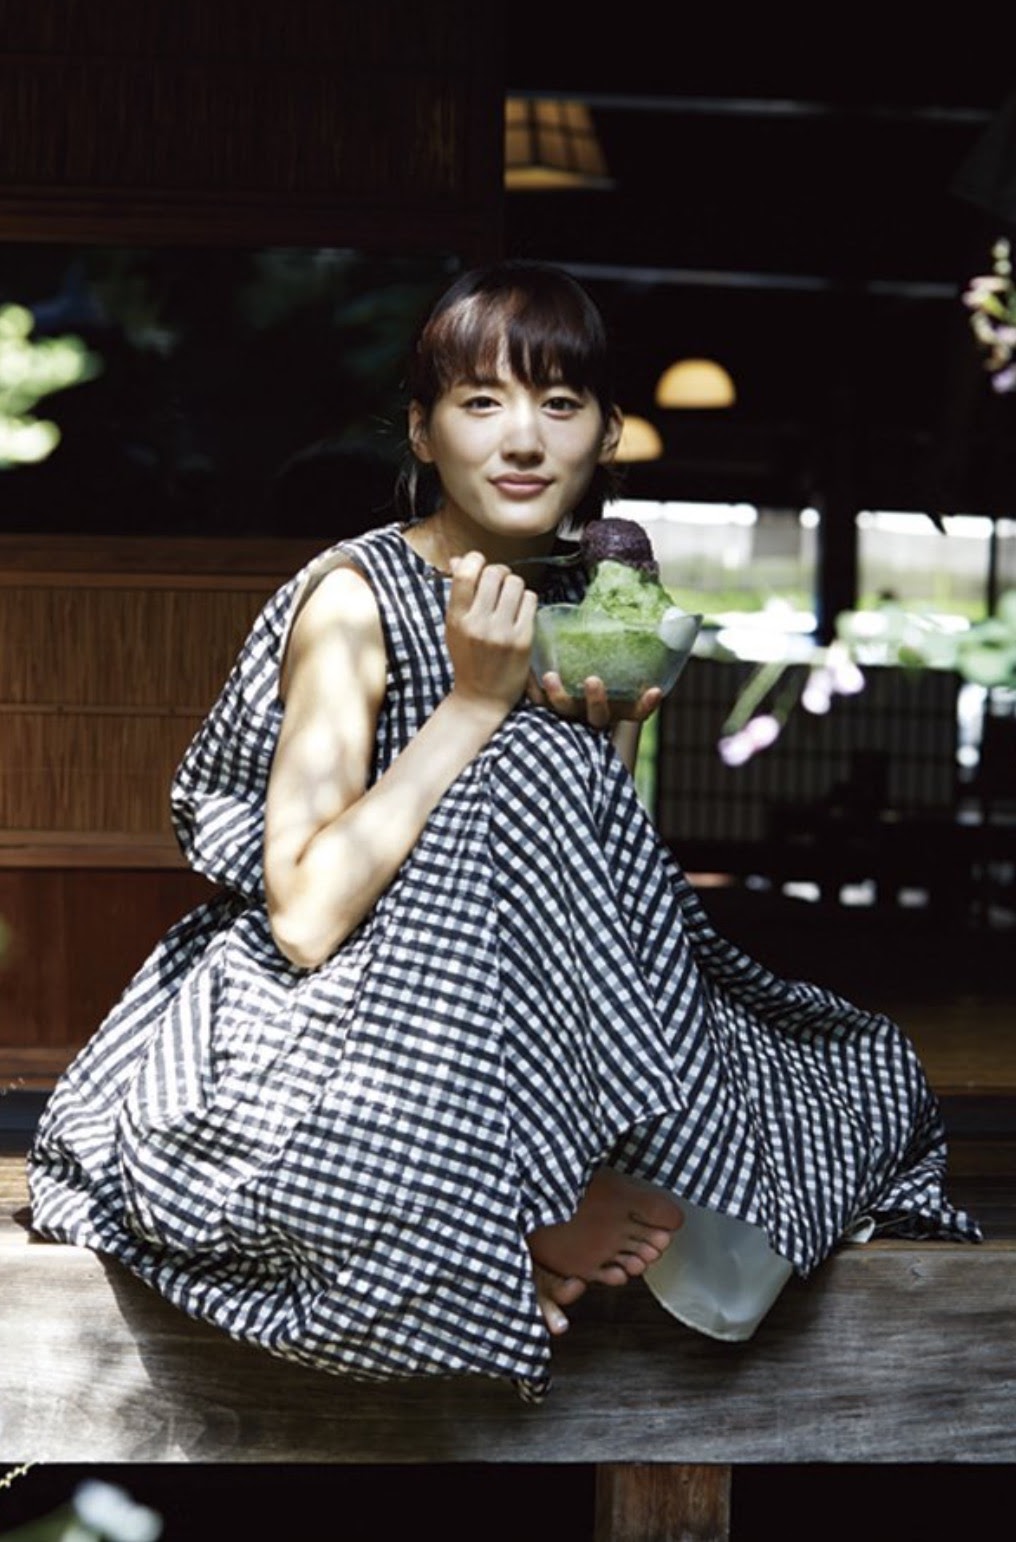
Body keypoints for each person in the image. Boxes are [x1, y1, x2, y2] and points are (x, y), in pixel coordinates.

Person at [26, 260, 979, 1402]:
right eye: (481, 402)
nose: (523, 438)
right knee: (524, 767)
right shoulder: (356, 599)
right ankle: (529, 1200)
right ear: (422, 432)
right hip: (348, 1009)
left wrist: (610, 734)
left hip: (527, 1012)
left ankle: (534, 1183)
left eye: (559, 403)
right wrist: (476, 703)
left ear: (606, 433)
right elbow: (303, 920)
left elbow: (585, 888)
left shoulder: (590, 599)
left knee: (859, 1082)